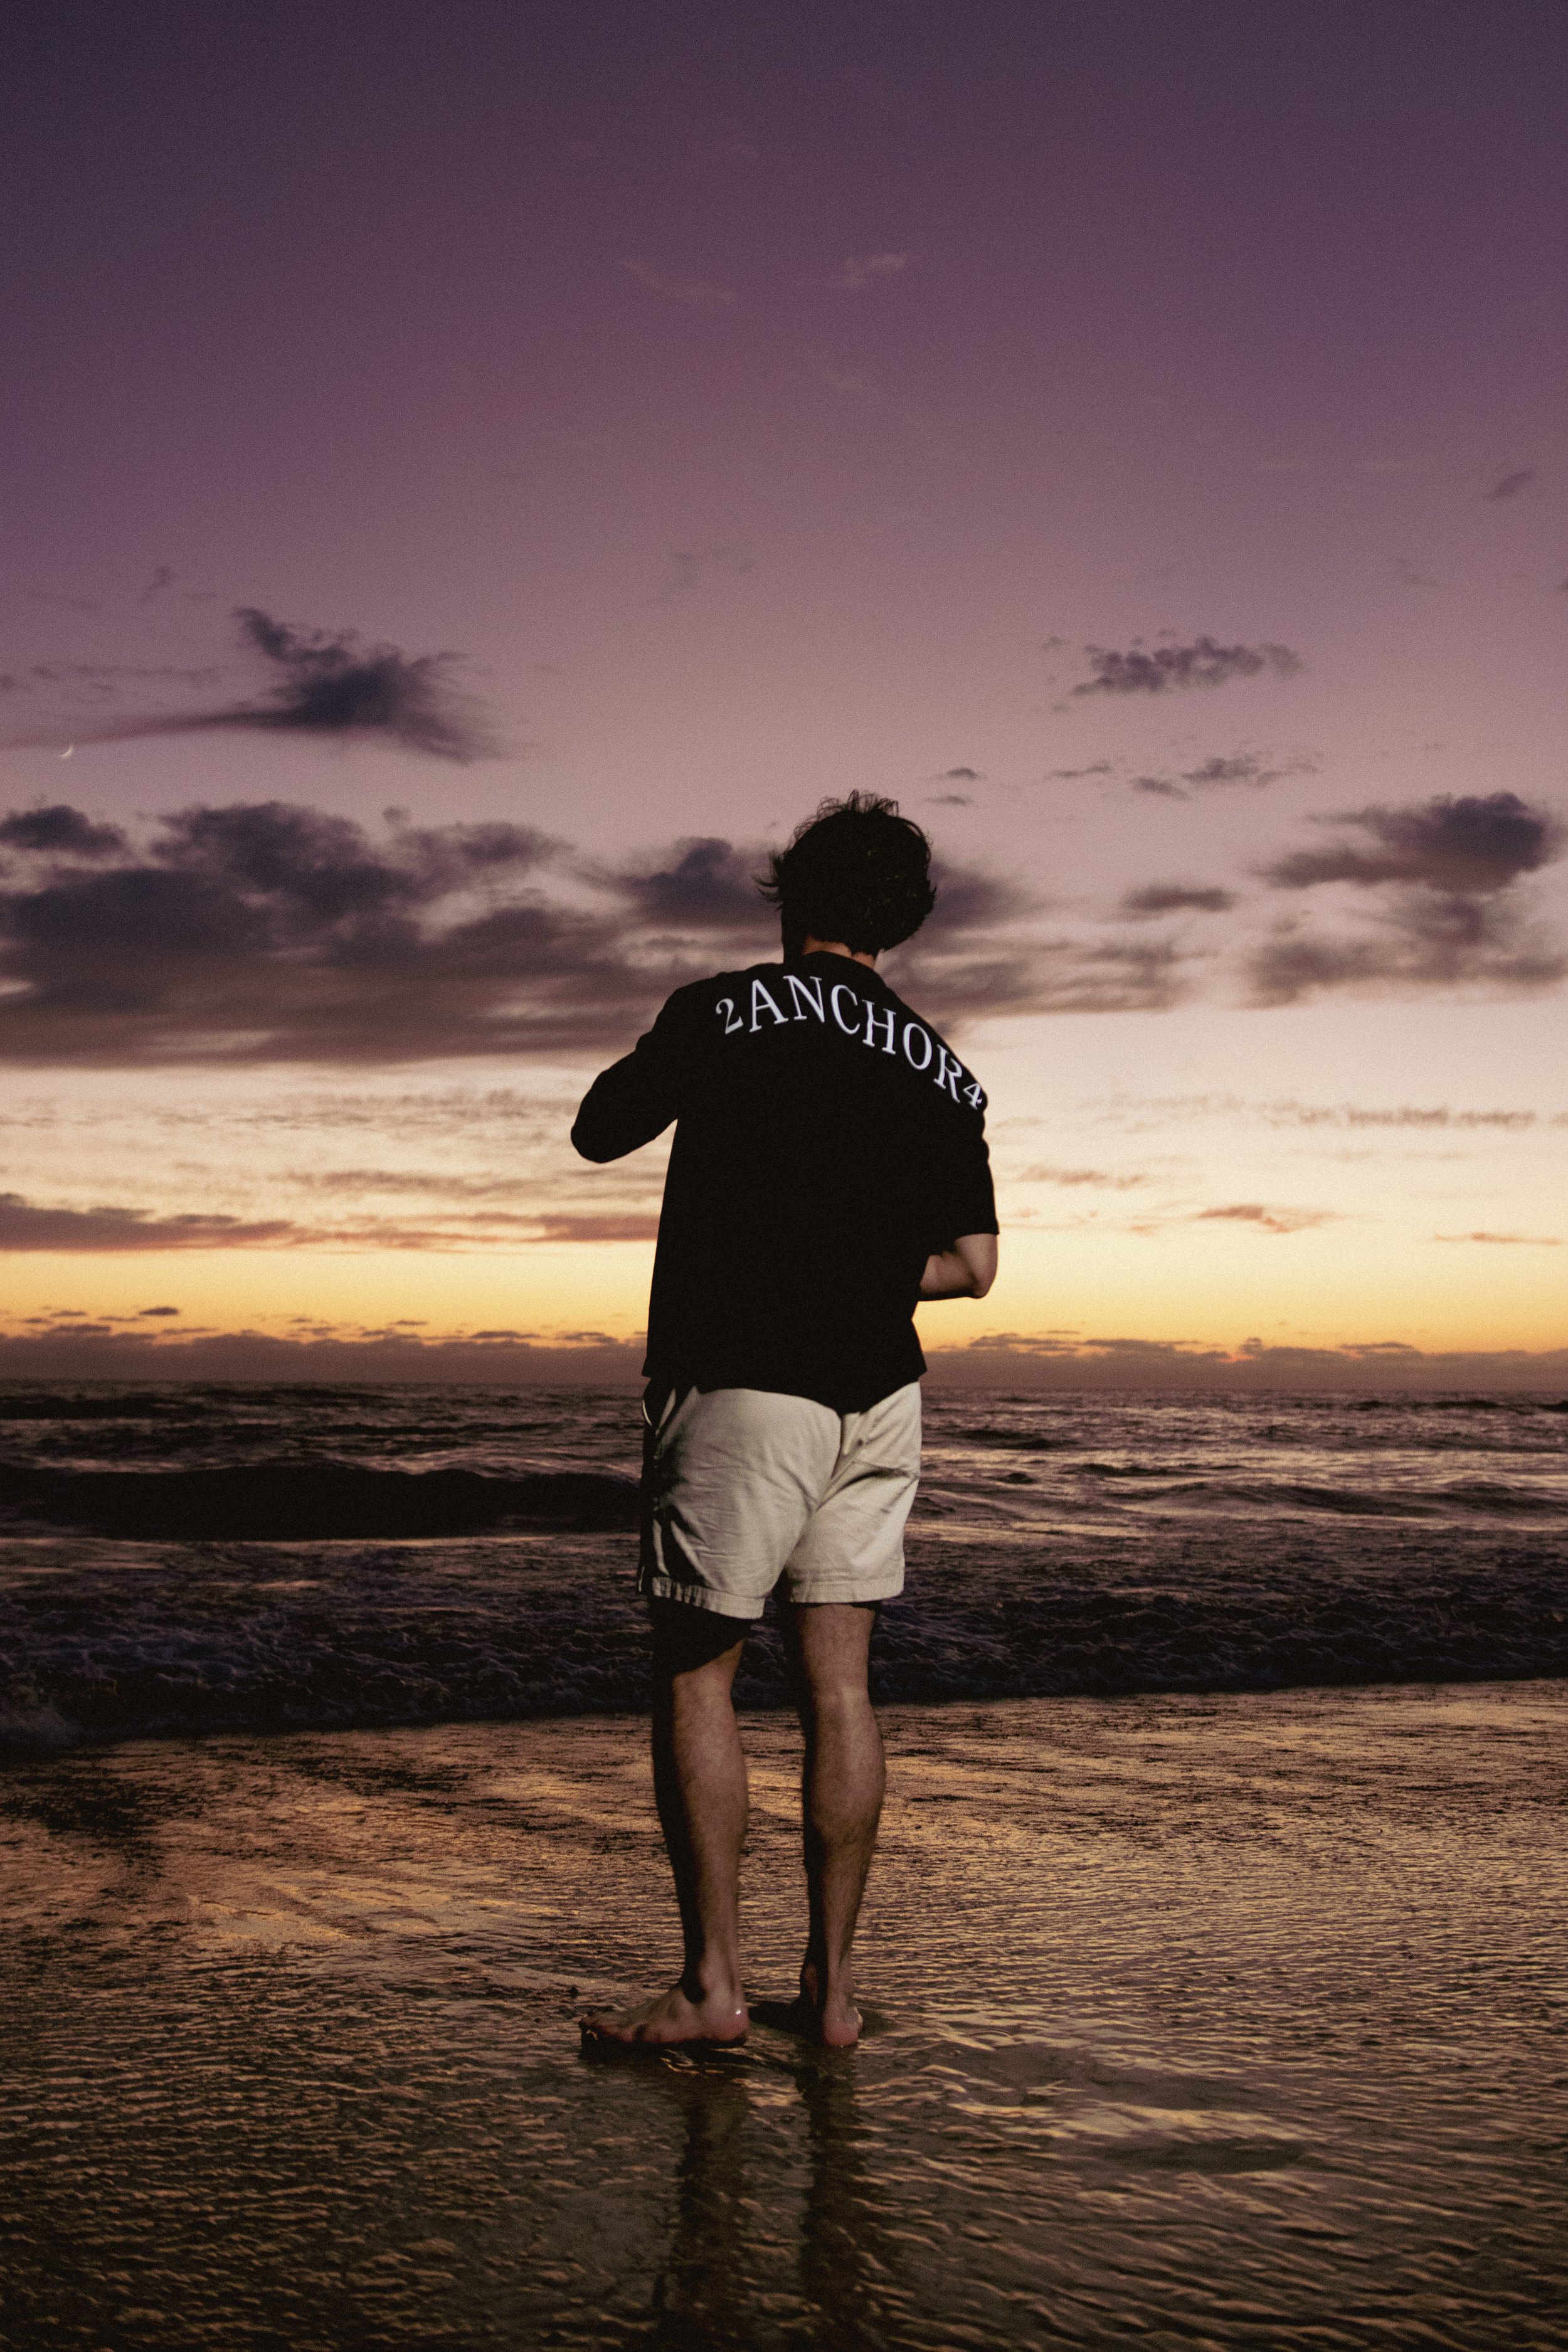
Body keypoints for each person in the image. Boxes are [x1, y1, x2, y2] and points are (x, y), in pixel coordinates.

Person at [570, 793, 998, 2048]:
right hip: (881, 1393)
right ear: (903, 920)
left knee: (698, 1670)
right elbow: (971, 1267)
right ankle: (834, 1995)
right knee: (840, 1688)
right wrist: (858, 1264)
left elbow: (599, 1131)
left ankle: (710, 1989)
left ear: (788, 895)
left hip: (743, 1375)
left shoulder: (723, 1009)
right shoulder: (944, 1069)